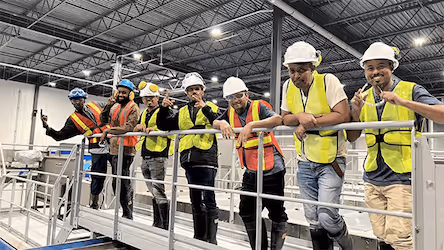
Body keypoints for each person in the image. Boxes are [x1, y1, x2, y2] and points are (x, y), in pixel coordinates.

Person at [347, 42, 444, 250]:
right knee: (380, 235)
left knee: (400, 238)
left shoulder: (411, 90)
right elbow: (352, 137)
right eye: (369, 68)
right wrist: (355, 112)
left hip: (403, 178)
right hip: (372, 177)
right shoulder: (364, 99)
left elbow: (442, 114)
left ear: (392, 67)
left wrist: (403, 102)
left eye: (381, 66)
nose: (375, 72)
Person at [280, 41, 353, 250]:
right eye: (292, 71)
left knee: (328, 217)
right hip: (304, 162)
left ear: (313, 68)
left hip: (332, 160)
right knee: (312, 218)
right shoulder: (287, 86)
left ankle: (349, 247)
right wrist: (300, 117)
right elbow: (285, 118)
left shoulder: (328, 81)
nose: (296, 76)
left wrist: (311, 121)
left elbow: (343, 114)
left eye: (301, 70)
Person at [213, 77, 288, 250]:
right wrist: (222, 123)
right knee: (247, 210)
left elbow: (277, 120)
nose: (235, 100)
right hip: (251, 170)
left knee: (276, 213)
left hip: (272, 168)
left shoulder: (258, 106)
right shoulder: (230, 111)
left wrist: (252, 125)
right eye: (230, 97)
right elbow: (215, 121)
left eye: (238, 95)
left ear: (246, 94)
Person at [157, 72, 220, 244]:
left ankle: (211, 240)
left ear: (203, 91)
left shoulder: (211, 108)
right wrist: (163, 109)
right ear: (186, 92)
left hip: (207, 158)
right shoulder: (182, 111)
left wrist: (204, 107)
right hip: (189, 160)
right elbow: (164, 125)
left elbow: (217, 121)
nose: (194, 92)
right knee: (195, 200)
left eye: (197, 89)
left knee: (209, 199)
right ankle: (199, 237)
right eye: (191, 89)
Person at [41, 87, 110, 210]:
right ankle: (94, 205)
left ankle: (125, 211)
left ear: (84, 99)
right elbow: (60, 135)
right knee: (97, 177)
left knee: (120, 177)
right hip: (97, 149)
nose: (76, 103)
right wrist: (47, 127)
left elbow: (113, 112)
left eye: (78, 99)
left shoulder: (97, 105)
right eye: (73, 100)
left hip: (115, 144)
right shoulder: (73, 120)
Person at [134, 81, 173, 229]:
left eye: (152, 98)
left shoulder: (164, 111)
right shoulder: (144, 113)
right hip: (145, 154)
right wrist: (137, 126)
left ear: (158, 97)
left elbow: (168, 126)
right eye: (146, 98)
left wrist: (154, 129)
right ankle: (157, 223)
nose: (149, 101)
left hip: (158, 154)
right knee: (152, 190)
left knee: (158, 190)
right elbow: (138, 126)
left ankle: (164, 225)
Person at [100, 79, 140, 220]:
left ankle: (128, 213)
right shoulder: (115, 107)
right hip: (114, 149)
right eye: (120, 92)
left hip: (127, 149)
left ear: (130, 94)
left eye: (124, 92)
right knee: (115, 183)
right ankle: (124, 210)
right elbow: (103, 120)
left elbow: (128, 127)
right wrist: (107, 106)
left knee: (123, 183)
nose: (121, 94)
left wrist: (108, 131)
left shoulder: (133, 107)